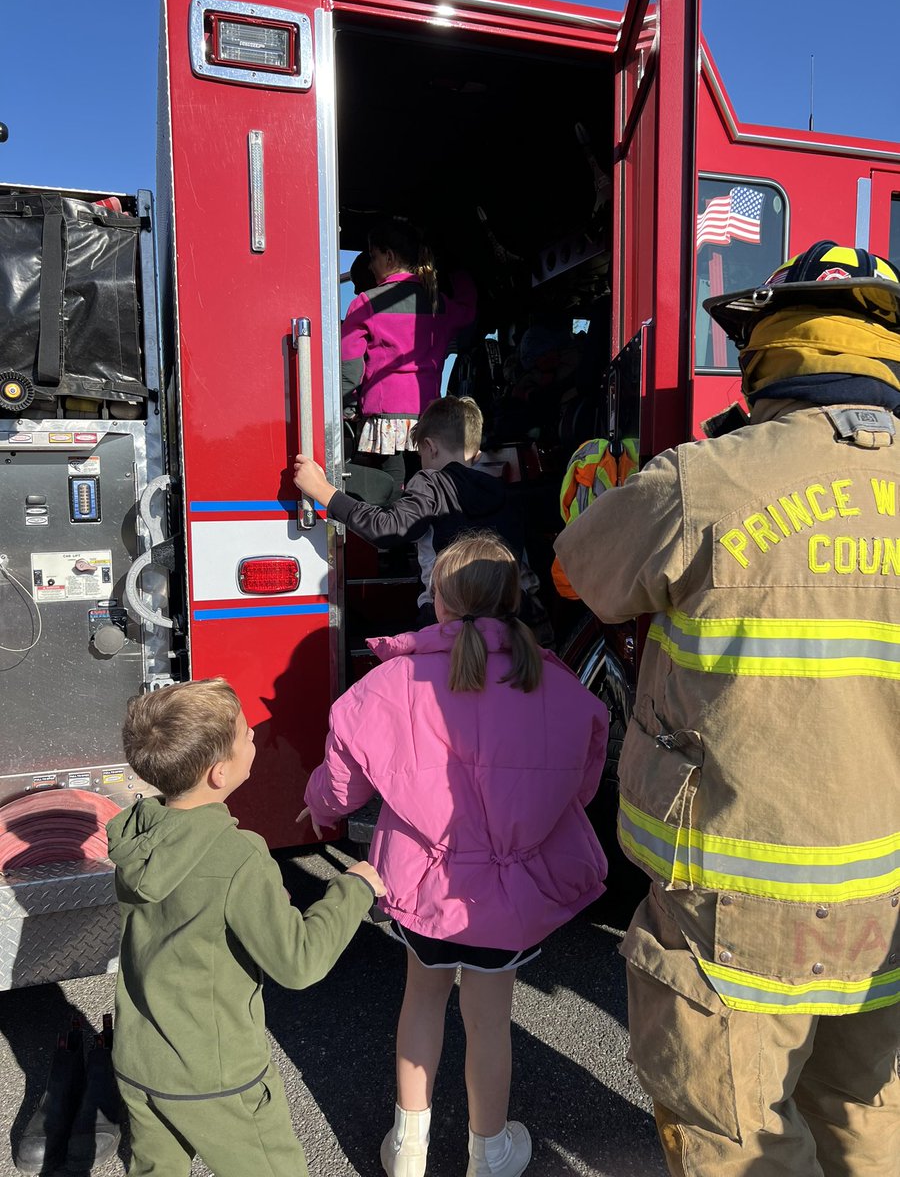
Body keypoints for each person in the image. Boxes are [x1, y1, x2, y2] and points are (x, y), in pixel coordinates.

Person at [554, 240, 900, 1176]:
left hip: (734, 904)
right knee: (866, 1126)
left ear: (766, 355)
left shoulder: (706, 478)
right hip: (887, 901)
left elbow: (585, 570)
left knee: (735, 1135)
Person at [301, 532, 609, 1177]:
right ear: (512, 600)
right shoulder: (558, 685)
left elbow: (343, 777)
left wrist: (322, 810)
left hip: (422, 883)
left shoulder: (391, 681)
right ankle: (488, 1151)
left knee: (422, 998)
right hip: (512, 891)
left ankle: (408, 1149)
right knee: (490, 1022)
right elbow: (581, 781)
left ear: (438, 601)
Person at [107, 678, 385, 1177]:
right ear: (219, 773)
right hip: (216, 1074)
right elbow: (299, 963)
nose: (254, 733)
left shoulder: (137, 834)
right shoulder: (239, 855)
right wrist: (354, 888)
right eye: (245, 735)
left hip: (139, 1060)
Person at [293, 395, 531, 626]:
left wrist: (323, 491)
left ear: (430, 447)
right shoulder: (505, 493)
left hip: (446, 618)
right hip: (505, 618)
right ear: (477, 454)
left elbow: (386, 530)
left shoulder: (432, 483)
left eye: (420, 456)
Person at [342, 217, 477, 502]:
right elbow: (468, 309)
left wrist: (343, 405)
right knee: (426, 494)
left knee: (391, 497)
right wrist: (454, 268)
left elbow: (350, 373)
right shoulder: (439, 304)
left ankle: (393, 544)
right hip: (428, 421)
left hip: (383, 422)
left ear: (389, 257)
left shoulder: (364, 304)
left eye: (373, 257)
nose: (370, 265)